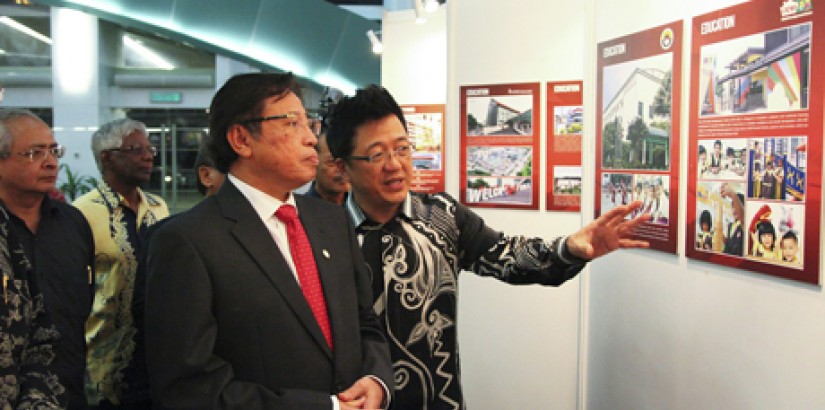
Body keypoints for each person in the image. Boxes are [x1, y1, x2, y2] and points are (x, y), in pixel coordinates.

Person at [326, 84, 650, 409]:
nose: (394, 164)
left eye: (402, 149)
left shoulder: (442, 216)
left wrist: (569, 249)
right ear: (342, 168)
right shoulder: (325, 235)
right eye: (377, 155)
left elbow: (507, 256)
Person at [144, 72, 392, 410]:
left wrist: (376, 379)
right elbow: (190, 387)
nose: (310, 139)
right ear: (241, 139)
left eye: (310, 124)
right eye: (291, 123)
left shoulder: (331, 221)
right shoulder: (187, 241)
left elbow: (365, 322)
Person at [0, 108, 94, 409]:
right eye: (34, 153)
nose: (51, 162)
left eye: (54, 151)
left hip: (67, 390)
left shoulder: (73, 223)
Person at [74, 118, 169, 408]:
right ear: (108, 157)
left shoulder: (158, 208)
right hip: (101, 361)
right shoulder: (80, 214)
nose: (148, 155)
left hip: (156, 357)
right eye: (136, 149)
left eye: (149, 148)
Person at [305, 132, 350, 205]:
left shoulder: (364, 208)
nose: (343, 169)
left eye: (347, 161)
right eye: (332, 162)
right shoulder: (300, 211)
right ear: (313, 164)